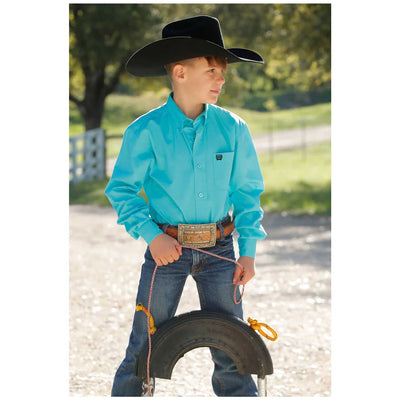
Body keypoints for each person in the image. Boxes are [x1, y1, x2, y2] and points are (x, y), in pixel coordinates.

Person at [105, 15, 267, 396]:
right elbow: (122, 191)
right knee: (144, 345)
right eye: (212, 71)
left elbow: (247, 193)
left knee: (233, 348)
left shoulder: (234, 128)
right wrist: (151, 236)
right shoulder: (145, 131)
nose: (221, 79)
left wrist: (248, 252)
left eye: (222, 72)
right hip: (167, 251)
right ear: (179, 73)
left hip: (221, 251)